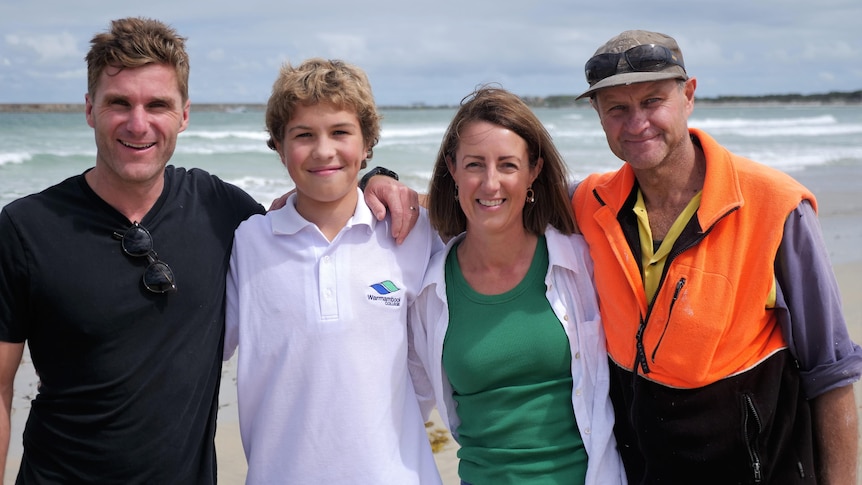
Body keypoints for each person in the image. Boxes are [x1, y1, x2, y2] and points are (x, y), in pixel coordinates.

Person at [0, 18, 414, 483]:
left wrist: (376, 179)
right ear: (90, 109)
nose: (139, 123)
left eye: (158, 104)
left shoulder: (223, 212)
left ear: (184, 113)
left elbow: (314, 207)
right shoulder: (26, 228)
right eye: (119, 103)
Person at [571, 30, 862, 484]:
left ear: (688, 95)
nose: (636, 123)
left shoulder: (776, 206)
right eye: (617, 109)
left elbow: (831, 372)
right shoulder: (591, 203)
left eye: (652, 101)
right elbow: (502, 200)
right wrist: (420, 202)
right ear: (598, 114)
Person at [223, 58, 442, 484]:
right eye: (303, 135)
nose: (324, 150)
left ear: (367, 144)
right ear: (279, 146)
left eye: (340, 132)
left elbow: (489, 211)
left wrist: (385, 183)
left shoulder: (411, 232)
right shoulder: (247, 243)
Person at [409, 86, 626, 484]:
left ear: (534, 172)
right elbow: (401, 406)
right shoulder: (427, 288)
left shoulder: (581, 261)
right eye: (475, 164)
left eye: (507, 165)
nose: (490, 183)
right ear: (452, 169)